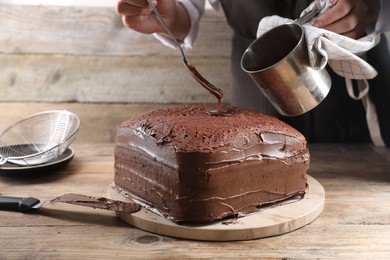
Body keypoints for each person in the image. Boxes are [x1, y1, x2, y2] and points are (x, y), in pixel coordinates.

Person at [116, 0, 390, 147]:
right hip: (255, 85)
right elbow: (181, 11)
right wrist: (168, 16)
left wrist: (371, 7)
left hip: (347, 81)